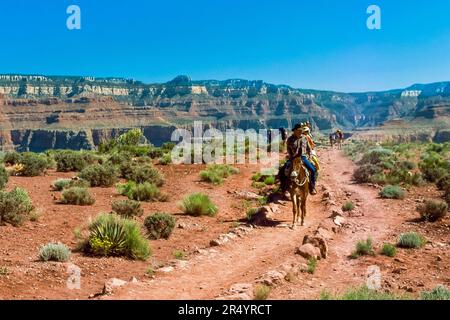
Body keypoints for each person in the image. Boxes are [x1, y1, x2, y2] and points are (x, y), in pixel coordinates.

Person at [279, 124, 317, 195]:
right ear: (295, 131)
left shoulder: (305, 138)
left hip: (303, 157)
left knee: (313, 170)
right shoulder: (290, 139)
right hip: (293, 157)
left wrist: (310, 157)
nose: (300, 132)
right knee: (282, 171)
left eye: (301, 130)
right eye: (299, 130)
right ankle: (285, 188)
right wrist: (292, 157)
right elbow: (288, 150)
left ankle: (312, 187)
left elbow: (308, 149)